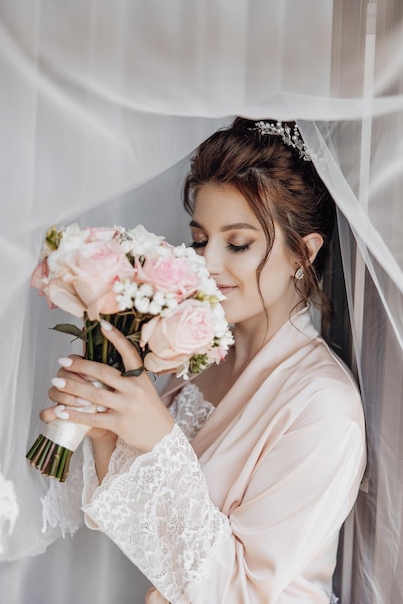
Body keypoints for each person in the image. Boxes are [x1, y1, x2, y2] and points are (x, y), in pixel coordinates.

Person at [41, 117, 366, 604]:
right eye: (199, 239)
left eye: (237, 244)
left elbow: (241, 591)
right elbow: (149, 535)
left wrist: (157, 440)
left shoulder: (324, 409)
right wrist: (109, 433)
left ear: (305, 251)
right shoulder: (199, 351)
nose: (207, 263)